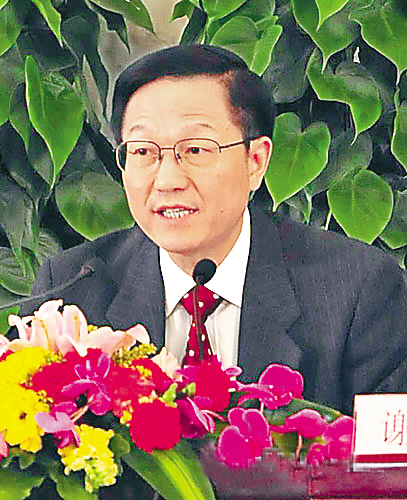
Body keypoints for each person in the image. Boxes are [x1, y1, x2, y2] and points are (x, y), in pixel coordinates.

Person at [21, 44, 407, 417]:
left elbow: (385, 455)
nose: (167, 180)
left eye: (195, 150)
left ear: (256, 161)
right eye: (142, 152)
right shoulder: (72, 292)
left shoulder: (357, 291)